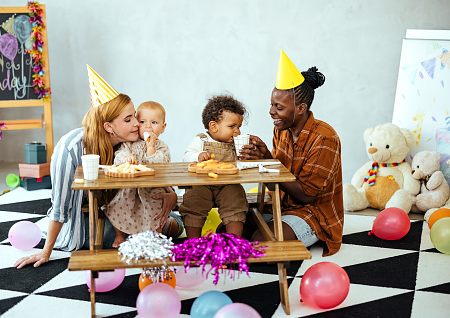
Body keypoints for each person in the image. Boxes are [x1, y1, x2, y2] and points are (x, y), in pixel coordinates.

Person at [14, 70, 180, 268]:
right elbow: (61, 206)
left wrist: (171, 194)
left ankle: (156, 228)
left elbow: (153, 168)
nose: (138, 124)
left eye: (134, 116)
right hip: (89, 214)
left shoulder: (129, 143)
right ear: (108, 127)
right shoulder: (70, 149)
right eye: (129, 120)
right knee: (111, 237)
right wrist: (46, 251)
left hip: (125, 206)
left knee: (173, 222)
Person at [239, 50, 343, 256]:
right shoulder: (281, 131)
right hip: (281, 205)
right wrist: (260, 159)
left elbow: (305, 196)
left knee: (260, 244)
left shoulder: (324, 138)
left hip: (313, 213)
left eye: (279, 107)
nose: (271, 111)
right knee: (229, 228)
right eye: (271, 104)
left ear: (301, 108)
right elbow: (273, 183)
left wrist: (268, 161)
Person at [103, 101, 183, 247]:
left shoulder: (161, 147)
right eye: (142, 122)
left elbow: (159, 164)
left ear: (163, 127)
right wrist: (125, 159)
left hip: (152, 189)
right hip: (130, 190)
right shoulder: (129, 143)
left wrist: (150, 147)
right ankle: (120, 235)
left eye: (154, 122)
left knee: (156, 210)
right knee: (115, 206)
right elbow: (119, 155)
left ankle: (155, 236)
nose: (148, 127)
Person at [180, 94, 250, 239]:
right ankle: (193, 242)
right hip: (202, 183)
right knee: (193, 201)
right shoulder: (200, 140)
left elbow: (242, 164)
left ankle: (233, 242)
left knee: (236, 201)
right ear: (213, 126)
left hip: (227, 184)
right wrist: (198, 156)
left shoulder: (236, 144)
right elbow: (187, 157)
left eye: (239, 127)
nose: (238, 131)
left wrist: (246, 156)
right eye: (232, 126)